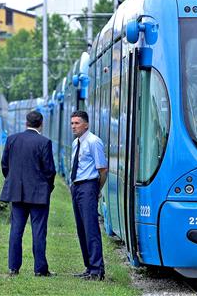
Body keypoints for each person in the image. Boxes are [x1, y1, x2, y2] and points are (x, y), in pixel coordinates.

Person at [0, 111, 56, 277]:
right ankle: (40, 269)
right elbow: (49, 170)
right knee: (38, 231)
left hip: (17, 193)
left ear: (26, 123)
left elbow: (5, 165)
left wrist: (14, 182)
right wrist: (47, 187)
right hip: (38, 194)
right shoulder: (44, 142)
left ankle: (13, 267)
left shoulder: (12, 139)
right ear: (41, 124)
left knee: (16, 230)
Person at [69, 110, 108, 281]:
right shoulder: (76, 143)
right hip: (76, 186)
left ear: (86, 124)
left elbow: (103, 169)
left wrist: (96, 189)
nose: (73, 126)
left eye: (77, 123)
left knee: (91, 229)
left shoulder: (94, 142)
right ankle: (89, 266)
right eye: (72, 123)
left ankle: (97, 270)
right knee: (81, 228)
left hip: (88, 186)